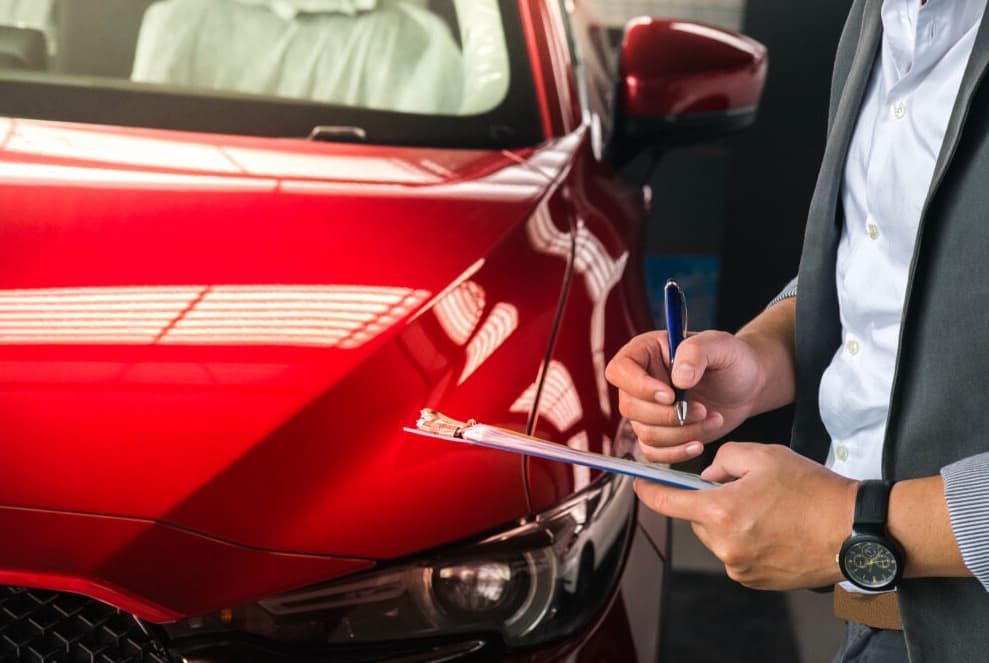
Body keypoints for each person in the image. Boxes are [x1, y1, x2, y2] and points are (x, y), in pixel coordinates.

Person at [605, 0, 989, 660]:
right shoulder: (883, 17)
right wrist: (762, 358)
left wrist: (857, 521)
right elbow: (894, 268)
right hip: (879, 616)